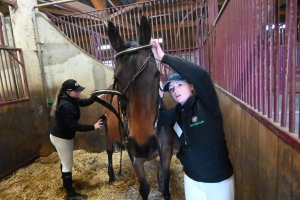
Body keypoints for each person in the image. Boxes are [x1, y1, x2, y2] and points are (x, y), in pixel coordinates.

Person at [151, 40, 235, 200]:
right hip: (191, 179)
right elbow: (157, 119)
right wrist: (157, 98)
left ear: (190, 85)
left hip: (217, 181)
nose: (175, 91)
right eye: (172, 89)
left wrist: (164, 57)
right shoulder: (176, 113)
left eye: (179, 85)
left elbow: (201, 76)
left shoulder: (206, 103)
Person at [50, 79, 104, 200]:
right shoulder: (66, 106)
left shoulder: (70, 98)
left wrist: (95, 98)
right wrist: (93, 127)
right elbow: (75, 126)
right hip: (61, 138)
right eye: (77, 91)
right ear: (69, 92)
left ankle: (66, 180)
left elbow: (83, 102)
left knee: (65, 162)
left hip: (63, 135)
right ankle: (70, 193)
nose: (79, 92)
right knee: (67, 165)